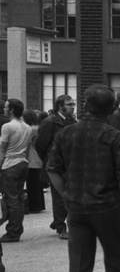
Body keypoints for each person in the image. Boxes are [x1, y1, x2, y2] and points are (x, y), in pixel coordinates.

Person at [46, 85, 120, 272]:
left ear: (85, 106)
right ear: (110, 108)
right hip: (108, 206)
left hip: (77, 208)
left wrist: (67, 195)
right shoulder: (114, 136)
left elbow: (53, 168)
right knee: (115, 260)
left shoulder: (66, 134)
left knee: (79, 264)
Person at [35, 94, 76, 239]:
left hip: (69, 165)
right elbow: (40, 145)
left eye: (73, 104)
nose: (73, 106)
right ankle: (60, 227)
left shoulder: (72, 120)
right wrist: (49, 160)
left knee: (68, 195)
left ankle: (58, 221)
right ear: (60, 106)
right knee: (59, 197)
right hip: (56, 165)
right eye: (69, 104)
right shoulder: (49, 122)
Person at [0, 99, 33, 242]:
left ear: (12, 110)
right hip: (22, 163)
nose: (4, 109)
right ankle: (17, 229)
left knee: (11, 199)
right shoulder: (27, 127)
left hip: (9, 164)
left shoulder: (7, 127)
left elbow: (2, 150)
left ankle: (13, 231)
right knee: (19, 198)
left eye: (7, 107)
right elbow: (28, 148)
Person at [23, 110, 45, 215]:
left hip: (31, 158)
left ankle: (34, 205)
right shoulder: (39, 128)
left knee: (32, 184)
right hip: (39, 157)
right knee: (38, 184)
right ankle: (39, 204)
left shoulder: (29, 129)